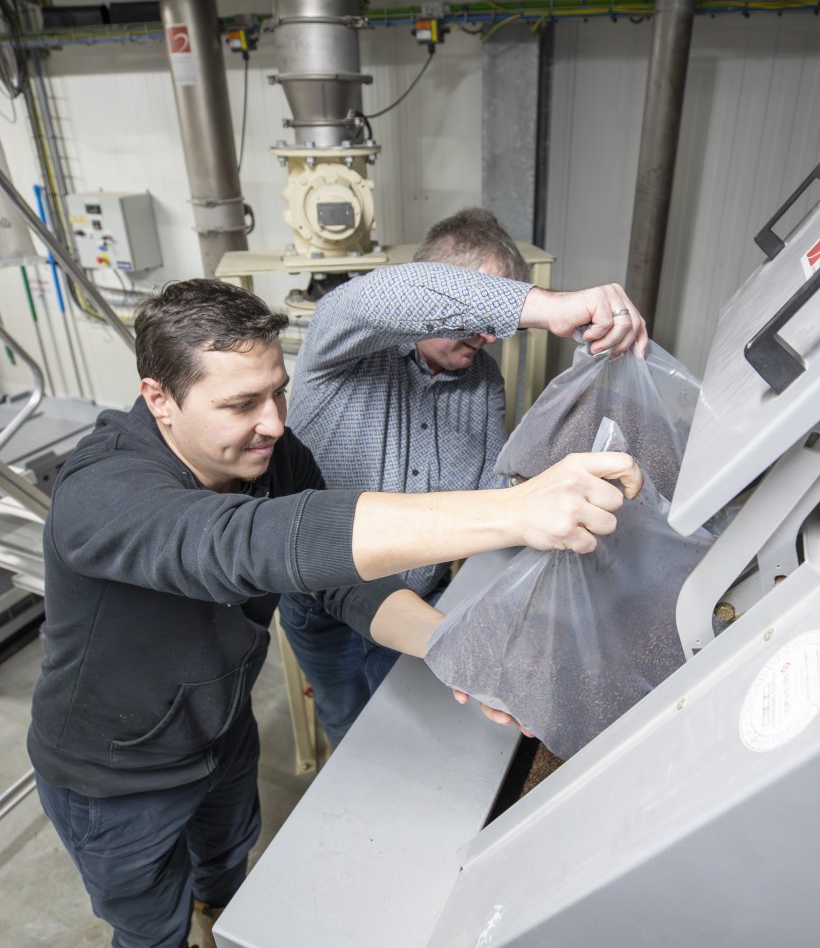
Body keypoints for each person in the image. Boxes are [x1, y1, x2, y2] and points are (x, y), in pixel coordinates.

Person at [26, 278, 642, 948]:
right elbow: (246, 542)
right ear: (159, 399)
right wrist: (513, 511)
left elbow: (343, 584)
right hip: (118, 773)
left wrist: (454, 645)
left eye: (277, 391)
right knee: (151, 928)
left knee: (226, 864)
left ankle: (212, 916)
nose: (274, 422)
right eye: (241, 404)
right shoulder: (102, 491)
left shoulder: (272, 457)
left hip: (221, 732)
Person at [280, 207, 649, 746]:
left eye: (499, 317)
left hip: (418, 601)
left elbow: (489, 488)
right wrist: (548, 305)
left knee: (407, 735)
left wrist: (557, 490)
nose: (491, 334)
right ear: (438, 287)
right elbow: (378, 295)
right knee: (346, 723)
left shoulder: (481, 381)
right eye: (482, 305)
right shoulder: (343, 348)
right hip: (319, 603)